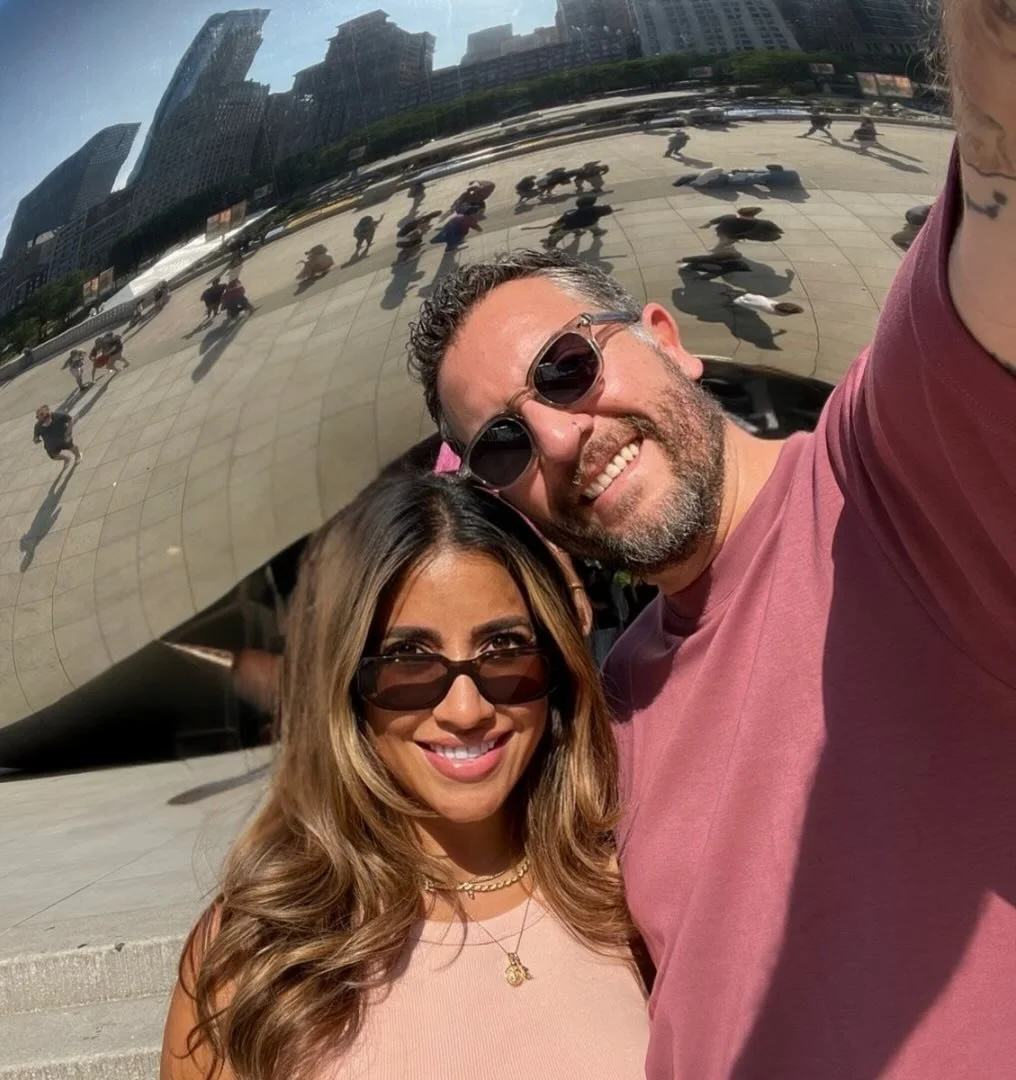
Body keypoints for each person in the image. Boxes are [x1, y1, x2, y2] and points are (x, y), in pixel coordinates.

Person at [405, 13, 1016, 1067]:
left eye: (566, 369)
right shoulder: (607, 713)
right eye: (502, 443)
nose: (557, 436)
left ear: (667, 339)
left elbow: (1003, 147)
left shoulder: (895, 474)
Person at [160, 471, 650, 1080]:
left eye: (504, 650)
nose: (465, 710)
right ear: (347, 686)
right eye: (408, 662)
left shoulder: (635, 896)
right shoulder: (257, 955)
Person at [543, 195, 615, 249]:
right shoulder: (595, 209)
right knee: (593, 226)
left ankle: (551, 244)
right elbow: (604, 210)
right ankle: (597, 232)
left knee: (560, 234)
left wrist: (557, 224)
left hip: (571, 225)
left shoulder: (574, 212)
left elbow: (565, 220)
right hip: (588, 224)